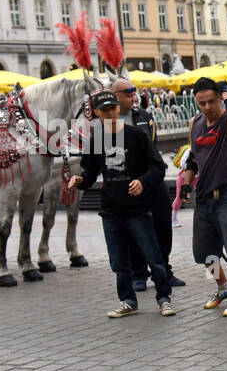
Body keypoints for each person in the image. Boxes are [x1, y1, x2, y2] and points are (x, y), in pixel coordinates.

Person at [67, 91, 174, 317]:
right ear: (96, 113)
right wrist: (79, 180)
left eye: (113, 108)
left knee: (154, 257)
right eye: (105, 110)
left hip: (138, 209)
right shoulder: (95, 140)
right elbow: (90, 173)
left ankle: (164, 299)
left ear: (118, 109)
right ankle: (128, 301)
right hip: (110, 211)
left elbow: (158, 167)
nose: (110, 113)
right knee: (118, 263)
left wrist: (142, 182)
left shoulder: (137, 135)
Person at [181, 77, 227, 316]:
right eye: (201, 103)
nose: (206, 107)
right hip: (203, 195)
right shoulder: (195, 123)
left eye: (211, 101)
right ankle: (222, 287)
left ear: (219, 98)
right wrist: (186, 184)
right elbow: (193, 157)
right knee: (205, 251)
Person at [113, 77, 184, 293]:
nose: (132, 96)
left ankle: (164, 271)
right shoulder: (107, 122)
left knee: (163, 226)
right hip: (127, 184)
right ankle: (138, 274)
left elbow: (153, 147)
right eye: (127, 93)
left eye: (133, 92)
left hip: (152, 180)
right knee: (134, 230)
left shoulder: (143, 116)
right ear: (115, 96)